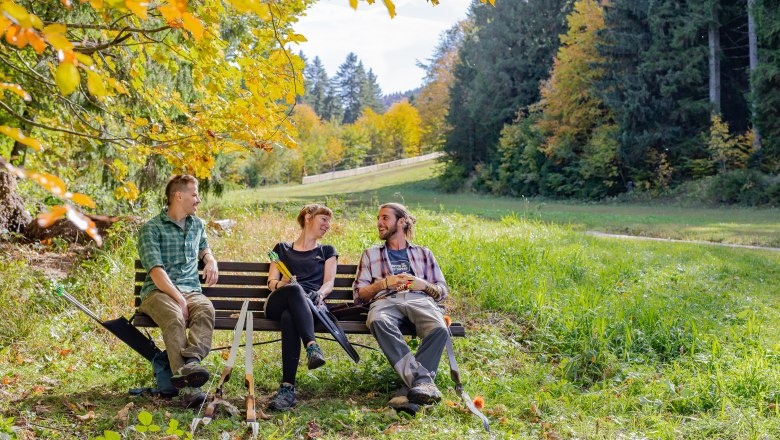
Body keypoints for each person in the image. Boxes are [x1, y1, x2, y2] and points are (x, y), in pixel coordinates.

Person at [353, 203, 449, 414]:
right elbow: (359, 295)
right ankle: (422, 382)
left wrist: (421, 284)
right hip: (386, 301)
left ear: (402, 222)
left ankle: (408, 393)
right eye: (378, 218)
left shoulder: (424, 253)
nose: (379, 222)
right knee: (377, 321)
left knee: (440, 329)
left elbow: (442, 291)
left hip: (419, 299)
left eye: (385, 218)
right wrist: (384, 283)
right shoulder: (370, 254)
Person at [137, 174, 218, 408]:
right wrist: (179, 299)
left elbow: (203, 246)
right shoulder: (151, 229)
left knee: (205, 309)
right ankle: (188, 390)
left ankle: (191, 364)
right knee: (174, 317)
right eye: (194, 194)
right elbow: (156, 271)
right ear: (178, 196)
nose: (198, 200)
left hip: (191, 291)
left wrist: (210, 260)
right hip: (158, 293)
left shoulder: (197, 224)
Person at [265, 204, 338, 411]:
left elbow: (329, 282)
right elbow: (271, 282)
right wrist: (283, 284)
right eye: (324, 219)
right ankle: (312, 346)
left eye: (329, 221)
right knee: (295, 291)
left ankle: (287, 388)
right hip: (278, 301)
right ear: (308, 217)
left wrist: (320, 294)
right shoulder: (279, 248)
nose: (327, 225)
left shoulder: (327, 251)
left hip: (310, 307)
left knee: (290, 317)